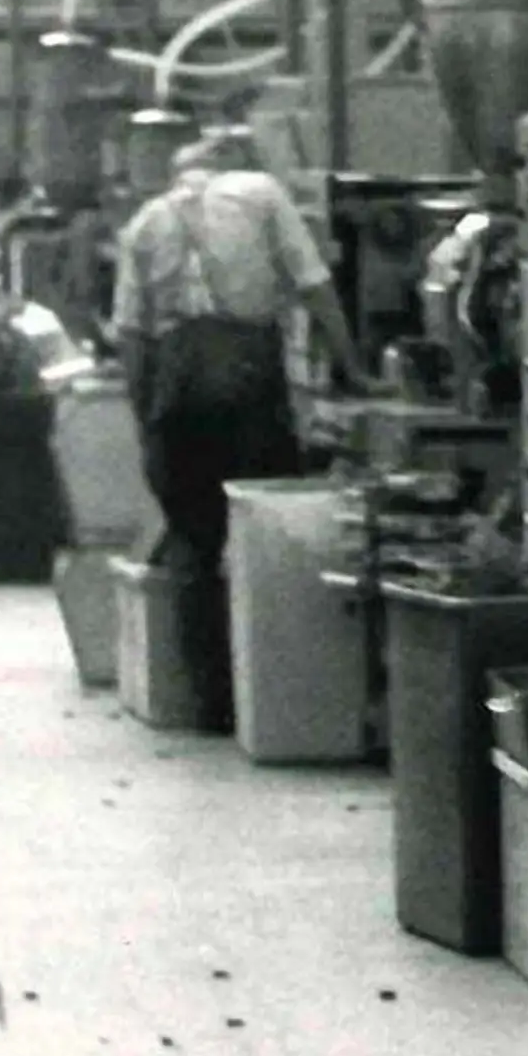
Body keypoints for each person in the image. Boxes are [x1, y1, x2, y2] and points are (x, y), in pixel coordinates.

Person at [110, 132, 368, 730]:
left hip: (175, 383)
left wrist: (147, 418)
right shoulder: (261, 192)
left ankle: (209, 706)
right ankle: (273, 700)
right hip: (249, 378)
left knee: (193, 545)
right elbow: (314, 286)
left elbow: (130, 333)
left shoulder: (146, 221)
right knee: (263, 536)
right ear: (232, 163)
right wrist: (353, 369)